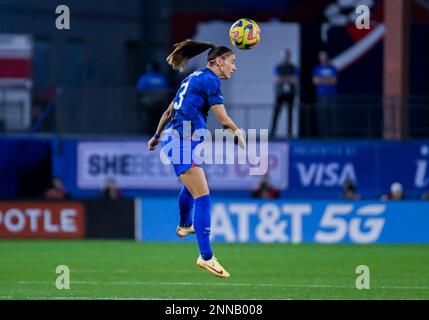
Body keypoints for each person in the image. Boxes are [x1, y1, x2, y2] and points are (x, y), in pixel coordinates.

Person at [147, 39, 245, 278]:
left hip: (175, 139)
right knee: (203, 197)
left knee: (192, 188)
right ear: (218, 61)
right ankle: (207, 257)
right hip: (181, 141)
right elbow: (223, 119)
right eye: (232, 62)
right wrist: (238, 133)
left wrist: (156, 136)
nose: (234, 67)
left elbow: (169, 111)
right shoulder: (210, 80)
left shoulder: (192, 78)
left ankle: (183, 225)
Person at [270, 49, 299, 139]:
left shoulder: (294, 68)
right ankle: (272, 132)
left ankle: (289, 133)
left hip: (290, 94)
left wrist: (284, 79)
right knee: (276, 113)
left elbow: (295, 80)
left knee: (290, 114)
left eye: (287, 56)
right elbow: (277, 79)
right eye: (284, 56)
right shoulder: (278, 67)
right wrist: (288, 79)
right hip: (280, 93)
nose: (286, 58)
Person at [312, 51, 338, 137]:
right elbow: (315, 81)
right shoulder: (317, 69)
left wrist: (321, 80)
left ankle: (333, 135)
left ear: (327, 57)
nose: (323, 58)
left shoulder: (332, 68)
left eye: (324, 56)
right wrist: (327, 80)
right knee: (322, 117)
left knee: (333, 116)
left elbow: (334, 81)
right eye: (321, 57)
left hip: (332, 96)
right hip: (321, 96)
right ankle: (323, 135)